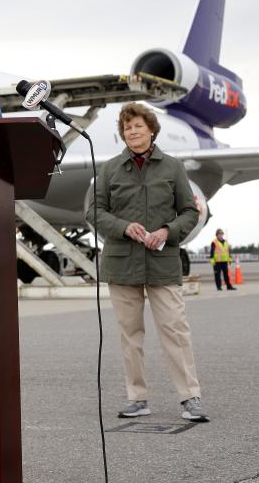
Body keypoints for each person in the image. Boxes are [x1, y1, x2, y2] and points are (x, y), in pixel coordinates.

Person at [86, 102, 209, 422]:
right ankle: (137, 398)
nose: (133, 132)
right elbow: (94, 212)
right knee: (131, 336)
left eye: (138, 126)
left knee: (175, 332)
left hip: (162, 262)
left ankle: (190, 397)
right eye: (127, 128)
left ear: (151, 129)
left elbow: (190, 212)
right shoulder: (110, 169)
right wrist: (124, 227)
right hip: (122, 264)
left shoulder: (172, 168)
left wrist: (168, 231)